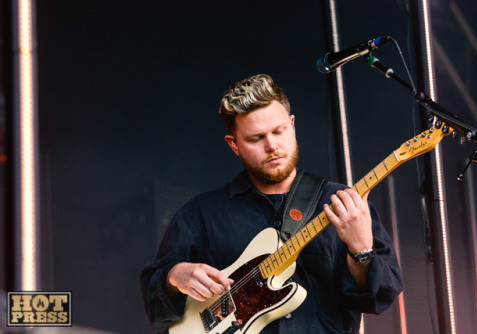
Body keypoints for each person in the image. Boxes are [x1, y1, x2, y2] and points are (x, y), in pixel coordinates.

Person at [140, 74, 403, 334]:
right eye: (256, 138)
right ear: (234, 145)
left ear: (292, 124)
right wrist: (176, 275)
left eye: (279, 131)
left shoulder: (345, 203)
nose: (273, 146)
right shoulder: (200, 214)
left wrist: (361, 249)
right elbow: (155, 304)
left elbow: (379, 297)